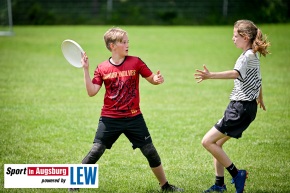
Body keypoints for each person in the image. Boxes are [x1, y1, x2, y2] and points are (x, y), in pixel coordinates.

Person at [69, 27, 183, 192]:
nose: (127, 44)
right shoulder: (101, 68)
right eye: (123, 42)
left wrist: (157, 79)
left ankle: (165, 186)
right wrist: (85, 69)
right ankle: (74, 186)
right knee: (96, 151)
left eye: (127, 41)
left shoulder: (136, 62)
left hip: (134, 118)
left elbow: (151, 78)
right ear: (112, 46)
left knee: (150, 151)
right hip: (110, 118)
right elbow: (91, 92)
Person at [194, 20, 270, 193]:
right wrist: (260, 98)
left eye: (235, 36)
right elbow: (257, 79)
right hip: (245, 108)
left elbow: (236, 74)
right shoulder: (253, 54)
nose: (233, 39)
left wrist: (210, 75)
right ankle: (219, 184)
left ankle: (237, 174)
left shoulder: (247, 56)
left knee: (207, 141)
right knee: (217, 144)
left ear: (245, 37)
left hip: (239, 108)